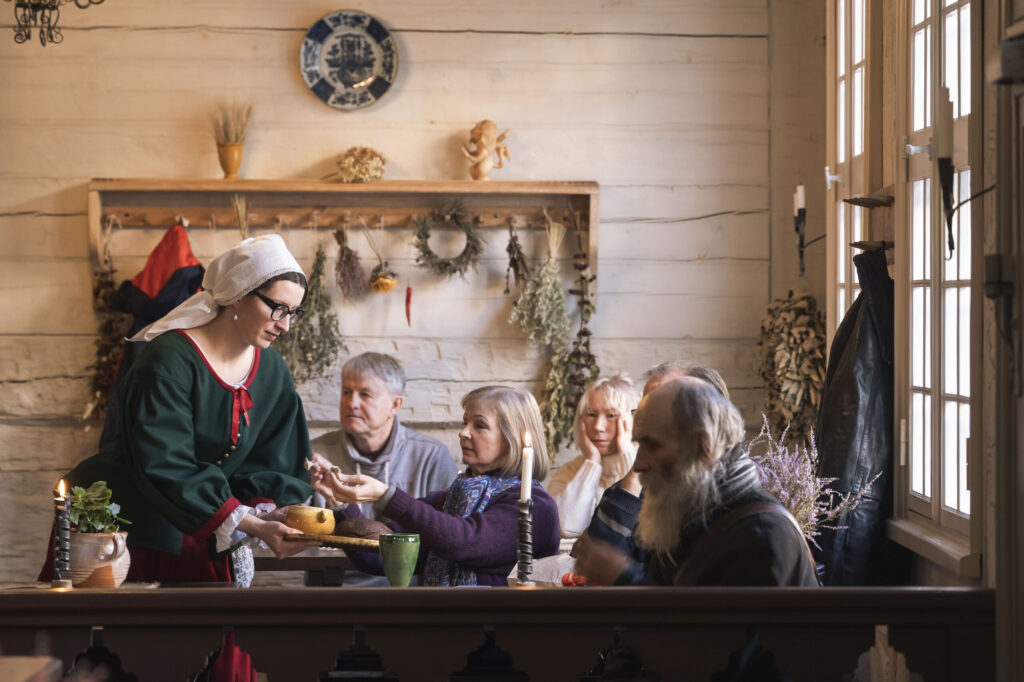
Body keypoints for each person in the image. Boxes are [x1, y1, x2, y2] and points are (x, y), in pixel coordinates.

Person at [40, 235, 317, 585]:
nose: (286, 325)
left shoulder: (272, 370)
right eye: (278, 309)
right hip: (122, 529)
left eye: (294, 312)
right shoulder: (168, 361)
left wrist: (266, 511)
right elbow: (165, 462)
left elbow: (273, 456)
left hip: (206, 524)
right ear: (237, 294)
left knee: (205, 636)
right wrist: (244, 520)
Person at [573, 377, 819, 587]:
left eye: (652, 445)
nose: (638, 465)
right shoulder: (687, 515)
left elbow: (706, 638)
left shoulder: (761, 533)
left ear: (703, 446)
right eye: (639, 445)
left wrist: (623, 578)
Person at [310, 386, 561, 586]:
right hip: (439, 624)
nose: (463, 432)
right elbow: (380, 556)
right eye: (465, 422)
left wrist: (386, 495)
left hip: (503, 635)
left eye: (479, 425)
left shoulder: (535, 506)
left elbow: (462, 541)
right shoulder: (449, 500)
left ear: (512, 440)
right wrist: (340, 502)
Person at [310, 352, 458, 585]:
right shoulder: (316, 453)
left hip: (409, 592)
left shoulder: (431, 456)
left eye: (365, 394)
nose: (351, 403)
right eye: (346, 391)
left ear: (395, 404)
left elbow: (446, 539)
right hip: (332, 588)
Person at [580, 362, 731, 564]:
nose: (641, 429)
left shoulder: (730, 510)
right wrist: (633, 482)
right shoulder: (632, 489)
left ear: (702, 423)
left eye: (656, 415)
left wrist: (623, 578)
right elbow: (589, 565)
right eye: (641, 414)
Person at [546, 374, 639, 544]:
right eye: (590, 415)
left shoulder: (652, 470)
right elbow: (566, 528)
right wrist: (592, 462)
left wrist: (628, 455)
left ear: (632, 420)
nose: (598, 427)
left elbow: (632, 535)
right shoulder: (570, 472)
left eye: (611, 415)